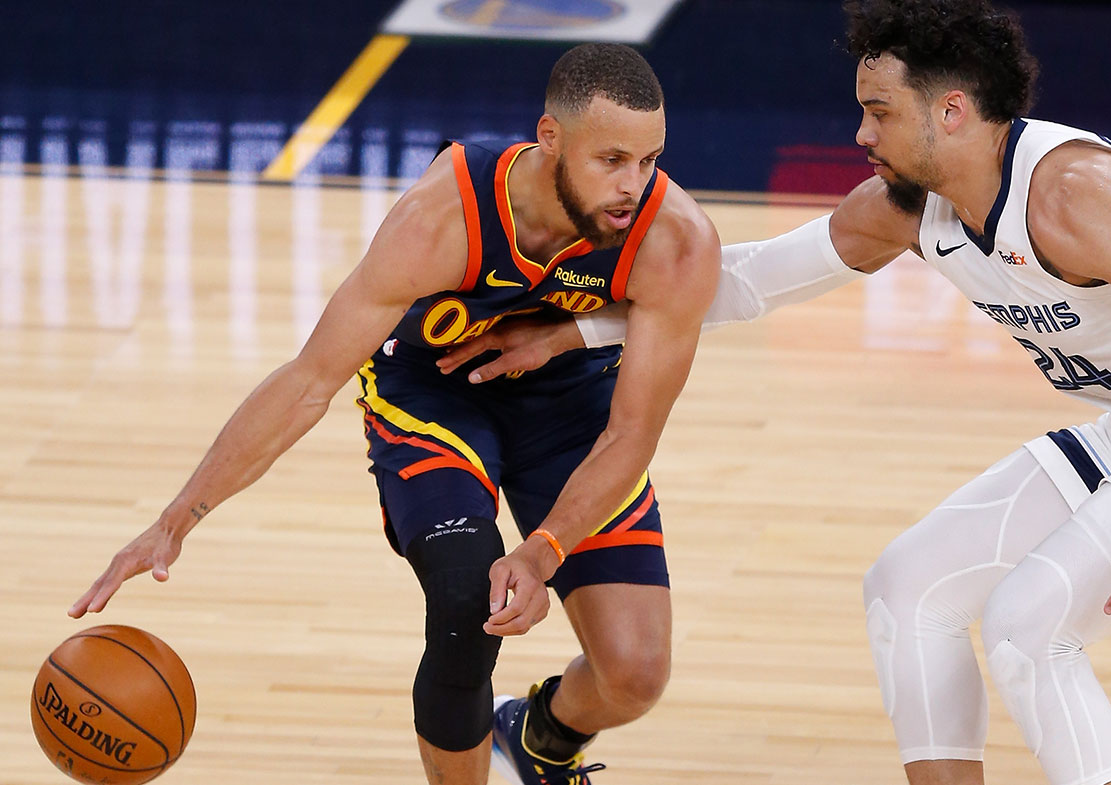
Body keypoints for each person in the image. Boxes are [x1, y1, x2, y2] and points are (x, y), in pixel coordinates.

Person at [435, 3, 1111, 784]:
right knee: (908, 587)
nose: (861, 134)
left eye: (878, 112)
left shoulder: (1075, 194)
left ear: (950, 111)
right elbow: (746, 281)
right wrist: (576, 327)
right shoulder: (911, 207)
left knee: (1032, 627)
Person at [68, 43, 719, 785]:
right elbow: (310, 380)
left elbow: (632, 433)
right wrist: (176, 515)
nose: (634, 185)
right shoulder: (440, 217)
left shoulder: (675, 241)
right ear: (549, 138)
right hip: (434, 396)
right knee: (464, 600)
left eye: (650, 160)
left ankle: (538, 735)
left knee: (634, 674)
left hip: (570, 411)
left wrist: (540, 552)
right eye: (612, 160)